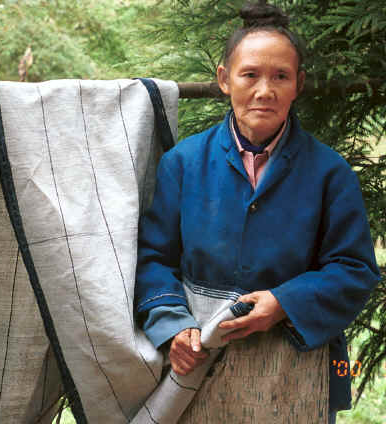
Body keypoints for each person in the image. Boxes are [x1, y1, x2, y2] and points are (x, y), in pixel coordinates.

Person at [134, 1, 380, 422]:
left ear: (298, 84)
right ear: (225, 80)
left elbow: (354, 269)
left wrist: (283, 302)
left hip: (294, 368)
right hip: (199, 362)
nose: (265, 90)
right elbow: (153, 258)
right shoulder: (184, 163)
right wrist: (173, 325)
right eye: (250, 75)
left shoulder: (330, 172)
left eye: (280, 76)